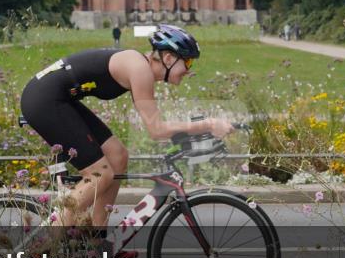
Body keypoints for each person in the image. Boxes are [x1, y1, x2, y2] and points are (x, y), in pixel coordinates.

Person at [20, 24, 233, 232]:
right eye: (187, 62)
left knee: (118, 155)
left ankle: (96, 238)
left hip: (58, 98)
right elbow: (157, 130)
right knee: (100, 174)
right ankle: (45, 244)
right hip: (45, 100)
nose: (189, 69)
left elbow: (155, 125)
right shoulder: (140, 70)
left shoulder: (139, 67)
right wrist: (209, 125)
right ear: (168, 58)